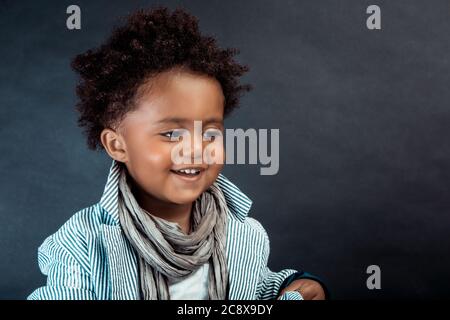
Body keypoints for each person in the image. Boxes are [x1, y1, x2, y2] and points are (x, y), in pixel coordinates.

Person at [27, 6, 328, 300]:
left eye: (210, 133)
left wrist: (291, 285)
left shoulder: (245, 234)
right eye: (171, 134)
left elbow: (254, 286)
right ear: (117, 145)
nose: (196, 149)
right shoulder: (83, 243)